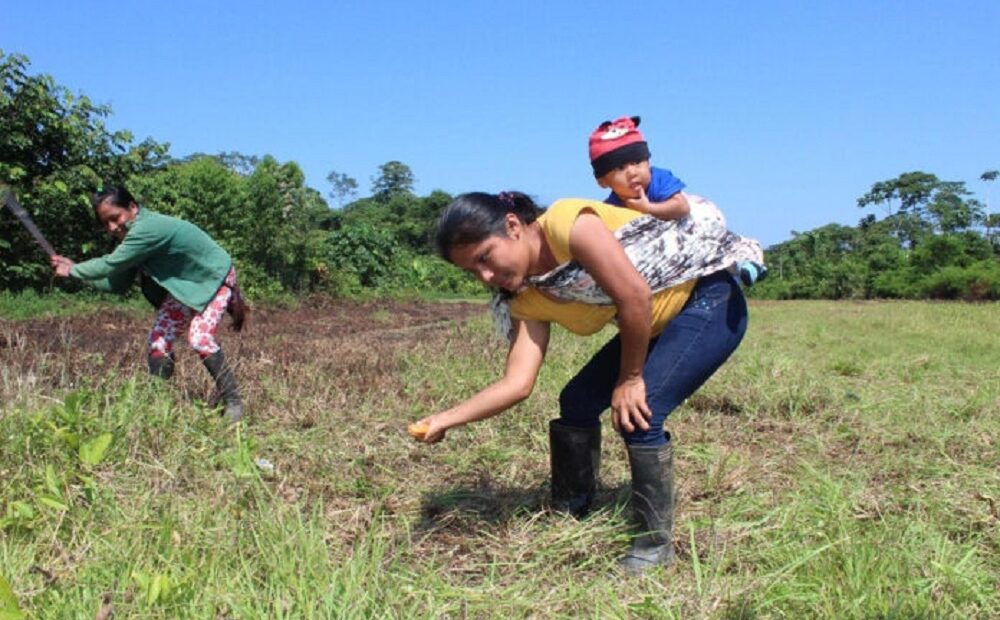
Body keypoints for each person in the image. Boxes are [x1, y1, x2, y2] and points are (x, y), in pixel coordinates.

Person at [414, 191, 757, 573]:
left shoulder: (567, 224)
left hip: (707, 300)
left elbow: (634, 297)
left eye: (485, 258)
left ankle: (654, 546)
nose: (486, 276)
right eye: (473, 272)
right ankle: (571, 505)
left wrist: (630, 378)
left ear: (512, 226)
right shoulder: (525, 297)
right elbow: (517, 383)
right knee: (576, 400)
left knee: (642, 410)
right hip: (653, 324)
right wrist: (446, 419)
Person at [50, 185, 246, 422]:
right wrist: (76, 272)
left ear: (132, 207)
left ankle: (234, 402)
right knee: (158, 343)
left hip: (212, 277)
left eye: (115, 218)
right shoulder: (131, 241)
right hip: (183, 286)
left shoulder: (148, 229)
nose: (112, 227)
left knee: (199, 339)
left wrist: (73, 270)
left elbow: (110, 264)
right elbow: (115, 283)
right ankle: (158, 401)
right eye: (106, 223)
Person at [589, 115, 766, 286]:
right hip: (668, 238)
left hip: (692, 216)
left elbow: (681, 207)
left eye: (637, 162)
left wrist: (648, 207)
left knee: (709, 241)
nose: (632, 172)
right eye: (620, 168)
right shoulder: (611, 208)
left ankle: (746, 260)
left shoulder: (657, 179)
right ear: (603, 181)